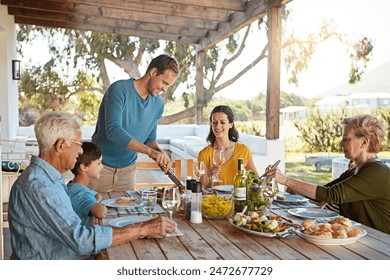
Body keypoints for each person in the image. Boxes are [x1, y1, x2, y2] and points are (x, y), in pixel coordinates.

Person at [8, 111, 176, 260]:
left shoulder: (48, 178)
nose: (81, 151)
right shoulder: (39, 186)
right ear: (60, 146)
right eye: (78, 144)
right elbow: (82, 240)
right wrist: (143, 228)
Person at [268, 114, 390, 234]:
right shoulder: (353, 172)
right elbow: (322, 195)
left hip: (381, 244)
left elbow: (331, 195)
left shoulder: (377, 171)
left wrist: (286, 180)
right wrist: (292, 186)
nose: (341, 144)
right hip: (360, 238)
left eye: (346, 139)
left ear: (364, 143)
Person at [89, 54, 179, 192]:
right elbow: (113, 131)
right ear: (153, 72)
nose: (165, 89)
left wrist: (160, 154)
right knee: (92, 212)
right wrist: (150, 153)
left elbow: (149, 140)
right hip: (99, 167)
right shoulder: (119, 90)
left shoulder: (158, 104)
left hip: (128, 172)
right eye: (164, 83)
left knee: (129, 212)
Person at [198, 105, 258, 188]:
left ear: (231, 124)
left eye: (222, 122)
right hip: (215, 200)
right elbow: (202, 189)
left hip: (237, 198)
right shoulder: (204, 154)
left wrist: (267, 179)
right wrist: (211, 178)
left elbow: (256, 180)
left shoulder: (243, 150)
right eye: (214, 122)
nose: (217, 126)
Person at [68, 141, 107, 227]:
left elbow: (97, 195)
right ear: (84, 167)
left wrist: (95, 200)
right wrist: (96, 202)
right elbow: (101, 213)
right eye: (99, 163)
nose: (102, 166)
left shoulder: (73, 186)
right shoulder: (80, 193)